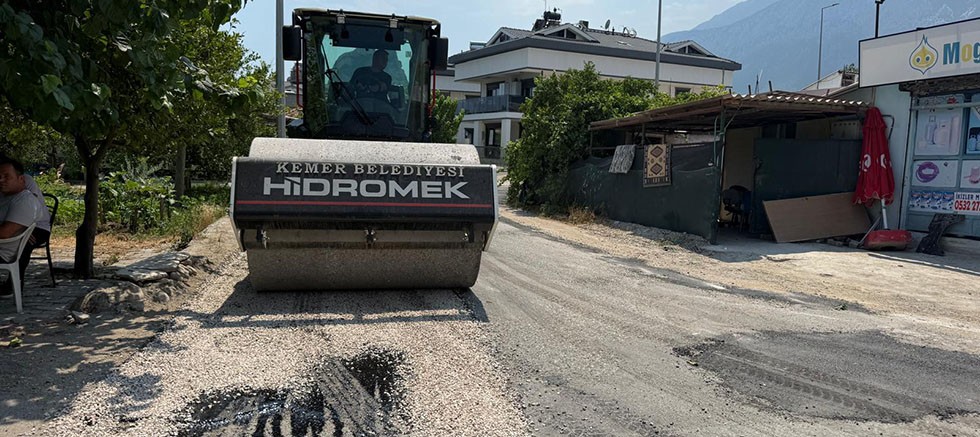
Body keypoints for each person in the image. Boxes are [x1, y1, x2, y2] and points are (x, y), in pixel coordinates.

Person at [0, 158, 42, 296]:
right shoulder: (6, 197)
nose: (1, 180)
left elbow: (5, 233)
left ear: (21, 179)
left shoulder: (24, 200)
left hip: (3, 253)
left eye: (7, 176)